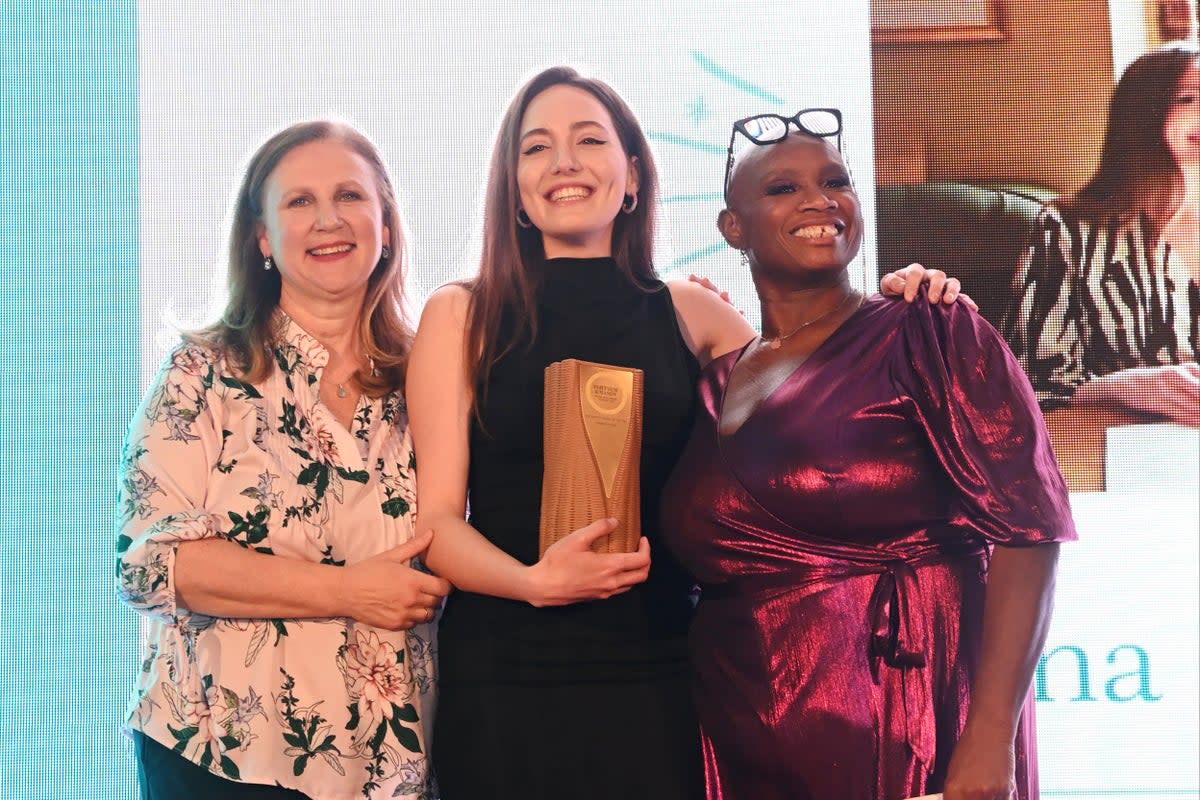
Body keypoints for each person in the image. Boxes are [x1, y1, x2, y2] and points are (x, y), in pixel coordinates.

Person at [407, 66, 967, 800]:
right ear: (512, 187)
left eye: (589, 140)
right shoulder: (460, 314)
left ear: (633, 174)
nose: (565, 162)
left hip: (664, 673)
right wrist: (533, 583)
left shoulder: (693, 314)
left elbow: (828, 376)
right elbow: (438, 523)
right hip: (505, 675)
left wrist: (903, 300)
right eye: (536, 147)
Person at [660, 112, 1077, 800]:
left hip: (909, 719)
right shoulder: (709, 381)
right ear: (732, 227)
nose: (820, 200)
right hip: (742, 740)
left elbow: (1030, 531)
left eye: (836, 181)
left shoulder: (930, 328)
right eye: (782, 188)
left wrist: (989, 736)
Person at [115, 120, 450, 800]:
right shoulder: (200, 372)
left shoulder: (434, 377)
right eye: (299, 202)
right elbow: (150, 564)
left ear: (385, 220)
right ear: (262, 237)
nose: (329, 219)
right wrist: (347, 591)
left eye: (351, 196)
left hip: (392, 769)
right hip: (222, 761)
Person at [1002, 41, 1200, 426]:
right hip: (1125, 450)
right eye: (1189, 98)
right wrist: (1124, 387)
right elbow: (1026, 382)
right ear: (1143, 114)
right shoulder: (1066, 230)